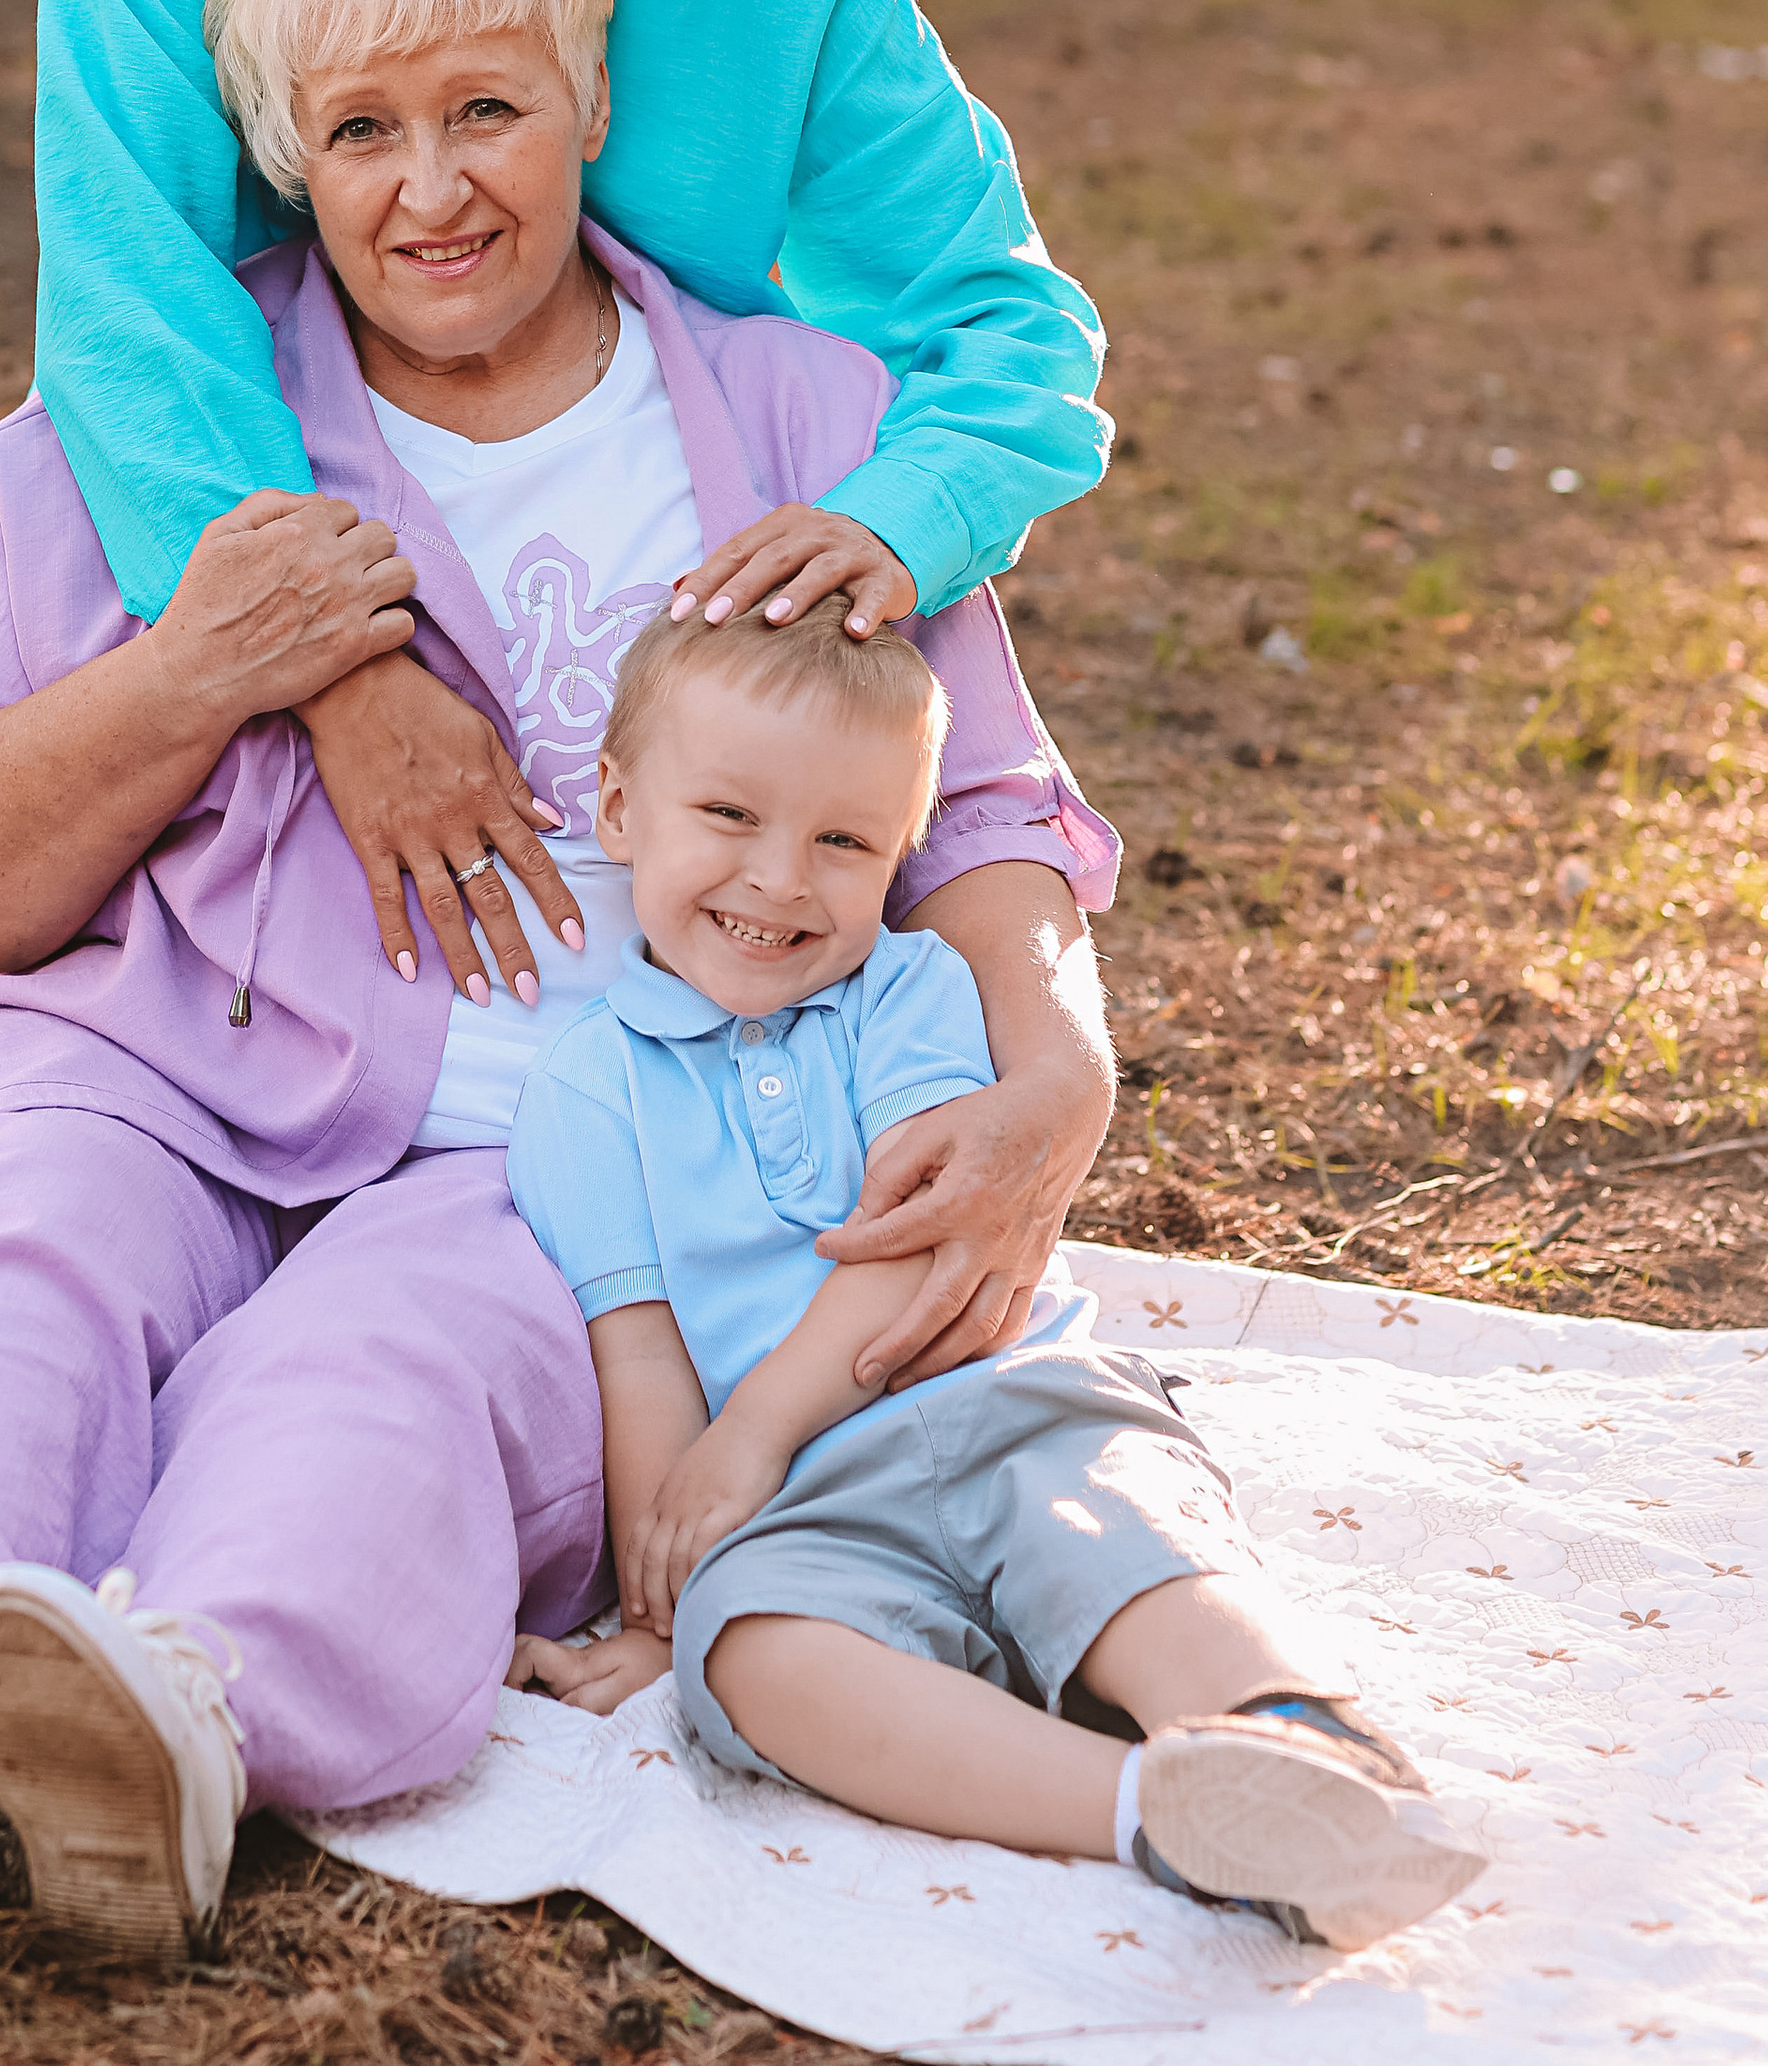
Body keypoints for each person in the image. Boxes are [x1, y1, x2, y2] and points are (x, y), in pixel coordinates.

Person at [0, 0, 1121, 1967]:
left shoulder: (806, 417)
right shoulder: (137, 435)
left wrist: (1050, 1071)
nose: (431, 190)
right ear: (282, 153)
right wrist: (195, 674)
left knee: (380, 1366)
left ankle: (174, 1719)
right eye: (360, 132)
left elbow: (987, 808)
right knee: (17, 1237)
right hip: (155, 1055)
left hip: (575, 1133)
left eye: (486, 111)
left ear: (585, 96)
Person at [31, 0, 1113, 1328]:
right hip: (273, 653)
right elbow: (129, 290)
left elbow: (1010, 333)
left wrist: (889, 523)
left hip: (660, 713)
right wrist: (333, 675)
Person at [504, 600, 1485, 1956]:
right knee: (751, 1661)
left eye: (844, 841)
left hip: (1002, 1396)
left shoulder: (907, 990)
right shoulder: (582, 1095)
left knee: (1118, 1528)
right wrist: (661, 1602)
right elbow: (641, 1358)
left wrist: (753, 1432)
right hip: (808, 1516)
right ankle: (1159, 1809)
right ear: (619, 806)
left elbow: (917, 1237)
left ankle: (1298, 1736)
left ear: (904, 851)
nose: (782, 881)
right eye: (729, 816)